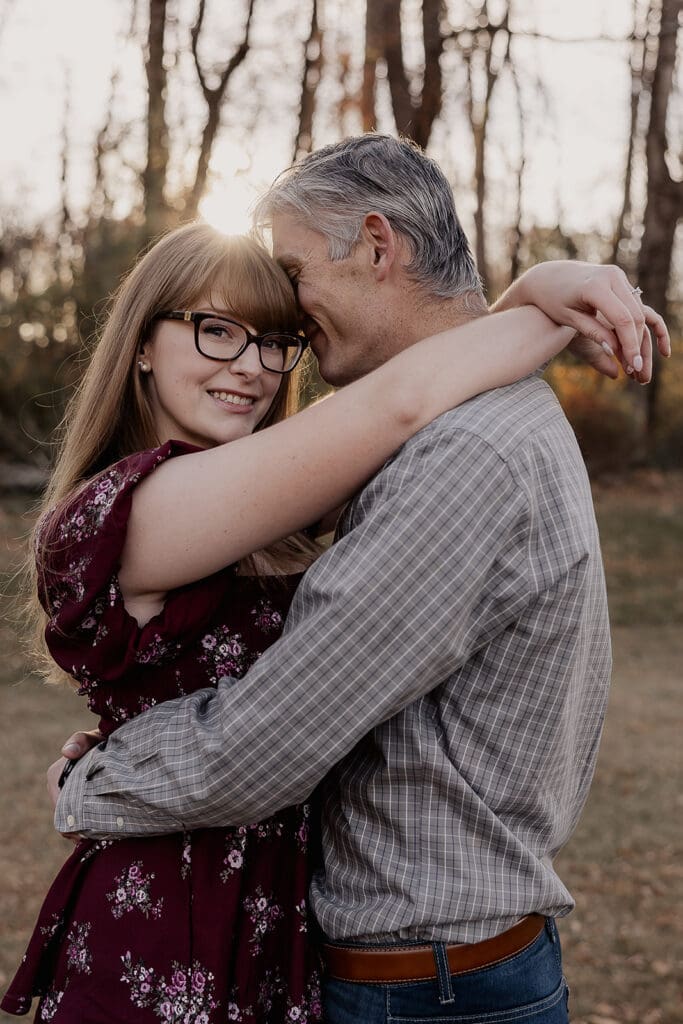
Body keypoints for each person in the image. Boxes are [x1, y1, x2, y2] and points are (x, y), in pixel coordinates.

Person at [0, 209, 622, 1024]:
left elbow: (422, 407)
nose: (252, 367)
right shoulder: (133, 509)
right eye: (216, 331)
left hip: (274, 920)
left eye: (273, 341)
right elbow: (400, 401)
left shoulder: (256, 504)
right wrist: (539, 298)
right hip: (168, 915)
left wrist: (526, 300)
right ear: (143, 344)